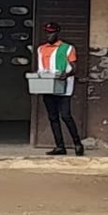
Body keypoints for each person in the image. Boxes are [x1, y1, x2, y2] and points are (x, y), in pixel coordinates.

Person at [37, 22, 84, 156]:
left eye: (51, 32)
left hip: (64, 87)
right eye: (47, 32)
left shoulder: (68, 48)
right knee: (53, 117)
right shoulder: (41, 49)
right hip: (46, 86)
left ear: (57, 33)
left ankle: (77, 143)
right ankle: (59, 146)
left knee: (66, 115)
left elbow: (74, 68)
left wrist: (67, 74)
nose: (49, 35)